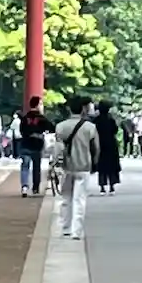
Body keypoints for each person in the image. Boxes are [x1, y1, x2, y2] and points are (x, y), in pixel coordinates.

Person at [54, 95, 100, 240]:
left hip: (66, 167)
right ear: (83, 109)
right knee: (79, 200)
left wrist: (54, 164)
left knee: (66, 198)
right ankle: (76, 231)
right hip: (83, 166)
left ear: (69, 109)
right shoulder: (90, 127)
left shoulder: (60, 127)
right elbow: (96, 148)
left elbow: (57, 149)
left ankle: (65, 228)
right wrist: (94, 162)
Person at [19, 96, 53, 196]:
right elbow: (52, 128)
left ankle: (24, 187)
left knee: (25, 166)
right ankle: (35, 187)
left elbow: (22, 131)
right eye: (41, 104)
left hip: (25, 145)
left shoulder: (25, 117)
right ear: (37, 105)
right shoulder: (42, 118)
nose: (42, 106)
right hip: (37, 146)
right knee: (36, 167)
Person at [94, 100, 122, 194]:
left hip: (100, 143)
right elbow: (115, 130)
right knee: (111, 166)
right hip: (111, 144)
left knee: (102, 166)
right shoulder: (111, 120)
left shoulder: (96, 120)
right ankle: (112, 186)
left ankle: (102, 187)